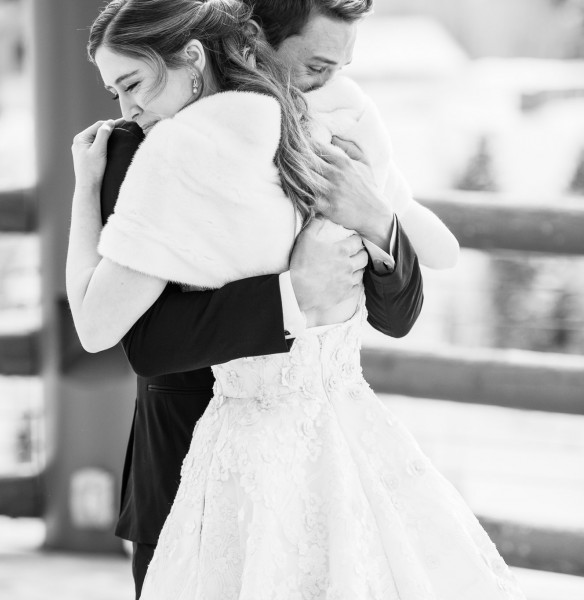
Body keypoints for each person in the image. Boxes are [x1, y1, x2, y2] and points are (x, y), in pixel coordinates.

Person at [69, 0, 526, 598]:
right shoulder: (139, 152)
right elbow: (145, 340)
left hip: (336, 464)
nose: (326, 83)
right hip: (188, 464)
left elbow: (397, 316)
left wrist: (376, 217)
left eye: (337, 68)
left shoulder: (331, 135)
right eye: (315, 66)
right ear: (256, 42)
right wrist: (291, 293)